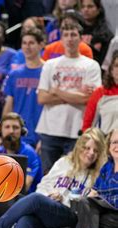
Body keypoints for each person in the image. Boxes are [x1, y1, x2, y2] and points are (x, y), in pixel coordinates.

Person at [37, 19, 102, 173]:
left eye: (73, 34)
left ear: (80, 38)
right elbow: (42, 98)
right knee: (48, 176)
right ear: (61, 38)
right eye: (66, 34)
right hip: (50, 130)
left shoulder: (91, 65)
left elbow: (90, 99)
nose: (70, 38)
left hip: (77, 131)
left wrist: (57, 91)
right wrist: (76, 95)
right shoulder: (50, 65)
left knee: (74, 175)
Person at [61, 128, 118, 228]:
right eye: (114, 142)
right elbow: (96, 191)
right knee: (85, 215)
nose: (117, 146)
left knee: (86, 211)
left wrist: (98, 196)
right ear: (108, 147)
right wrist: (94, 194)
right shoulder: (108, 166)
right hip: (107, 216)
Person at [3, 28, 45, 149]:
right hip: (17, 133)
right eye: (24, 43)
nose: (27, 47)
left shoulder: (47, 70)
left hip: (40, 132)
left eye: (31, 43)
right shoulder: (14, 74)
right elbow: (8, 105)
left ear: (41, 45)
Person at [0, 112, 43, 193]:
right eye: (7, 127)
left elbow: (23, 188)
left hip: (25, 199)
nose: (11, 131)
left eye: (15, 127)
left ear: (22, 131)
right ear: (0, 131)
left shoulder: (29, 153)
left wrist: (0, 161)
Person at [82, 50, 118, 135]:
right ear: (111, 70)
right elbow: (88, 125)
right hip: (107, 144)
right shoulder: (100, 93)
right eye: (117, 66)